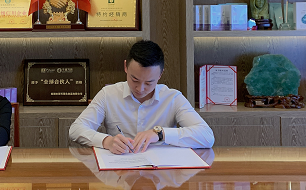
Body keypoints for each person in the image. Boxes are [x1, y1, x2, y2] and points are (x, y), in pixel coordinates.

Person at [69, 40, 214, 154]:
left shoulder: (173, 98)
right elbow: (76, 129)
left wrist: (161, 134)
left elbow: (207, 136)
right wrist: (107, 141)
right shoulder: (108, 94)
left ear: (160, 74)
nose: (140, 88)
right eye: (135, 80)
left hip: (161, 171)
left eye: (149, 82)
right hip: (120, 169)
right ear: (125, 67)